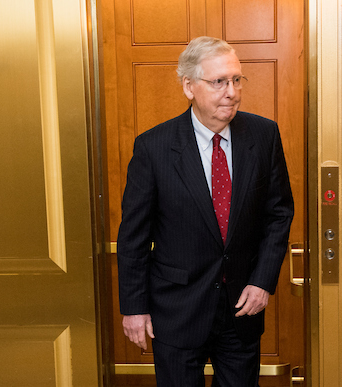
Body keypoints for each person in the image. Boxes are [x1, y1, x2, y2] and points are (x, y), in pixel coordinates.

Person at [117, 36, 294, 386]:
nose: (231, 92)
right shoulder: (153, 147)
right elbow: (133, 236)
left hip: (241, 308)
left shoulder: (264, 135)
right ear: (189, 86)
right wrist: (134, 308)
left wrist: (262, 281)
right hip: (177, 311)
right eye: (219, 82)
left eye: (236, 79)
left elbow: (279, 214)